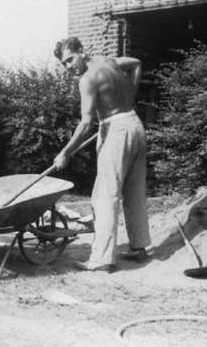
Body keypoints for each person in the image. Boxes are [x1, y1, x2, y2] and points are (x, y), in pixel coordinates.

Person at [52, 37, 151, 273]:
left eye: (70, 59)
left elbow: (86, 123)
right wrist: (131, 94)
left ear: (82, 51)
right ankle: (138, 248)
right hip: (134, 123)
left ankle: (102, 259)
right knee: (134, 190)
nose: (68, 67)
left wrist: (65, 152)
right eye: (63, 64)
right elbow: (136, 63)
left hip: (117, 130)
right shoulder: (110, 61)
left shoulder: (86, 79)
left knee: (105, 195)